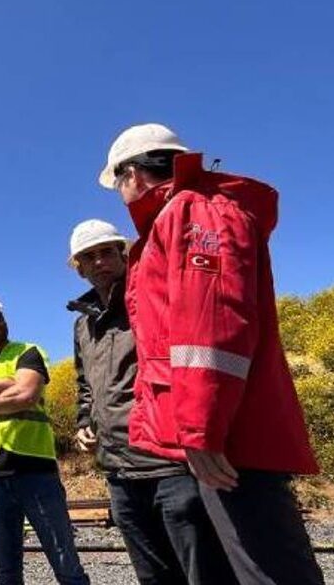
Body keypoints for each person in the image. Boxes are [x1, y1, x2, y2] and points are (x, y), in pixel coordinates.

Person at [100, 123, 323, 585]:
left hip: (229, 439)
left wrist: (202, 431)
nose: (119, 193)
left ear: (133, 174)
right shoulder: (183, 215)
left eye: (117, 181)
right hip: (219, 434)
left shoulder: (194, 212)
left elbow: (212, 323)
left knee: (268, 573)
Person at [66, 219, 236, 585]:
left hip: (170, 466)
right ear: (78, 268)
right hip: (119, 473)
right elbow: (85, 384)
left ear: (123, 255)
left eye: (107, 252)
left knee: (203, 573)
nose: (100, 262)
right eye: (89, 257)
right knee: (153, 577)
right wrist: (85, 421)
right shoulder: (83, 325)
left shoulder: (152, 295)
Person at [0, 291, 89, 585]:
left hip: (35, 471)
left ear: (3, 316)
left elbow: (25, 394)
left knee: (64, 561)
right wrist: (0, 384)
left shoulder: (28, 352)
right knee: (5, 568)